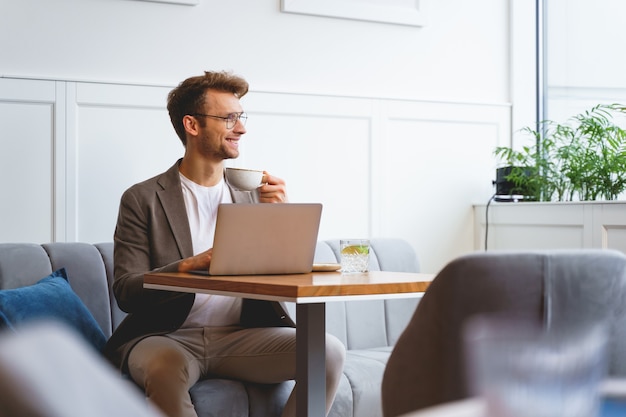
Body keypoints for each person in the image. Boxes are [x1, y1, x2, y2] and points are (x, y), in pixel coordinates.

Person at [104, 71, 346, 417]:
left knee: (328, 352)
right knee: (164, 367)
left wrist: (281, 219)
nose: (242, 128)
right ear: (192, 125)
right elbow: (126, 291)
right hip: (167, 336)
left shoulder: (252, 198)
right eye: (229, 118)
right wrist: (187, 266)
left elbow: (281, 280)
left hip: (241, 337)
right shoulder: (142, 199)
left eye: (241, 117)